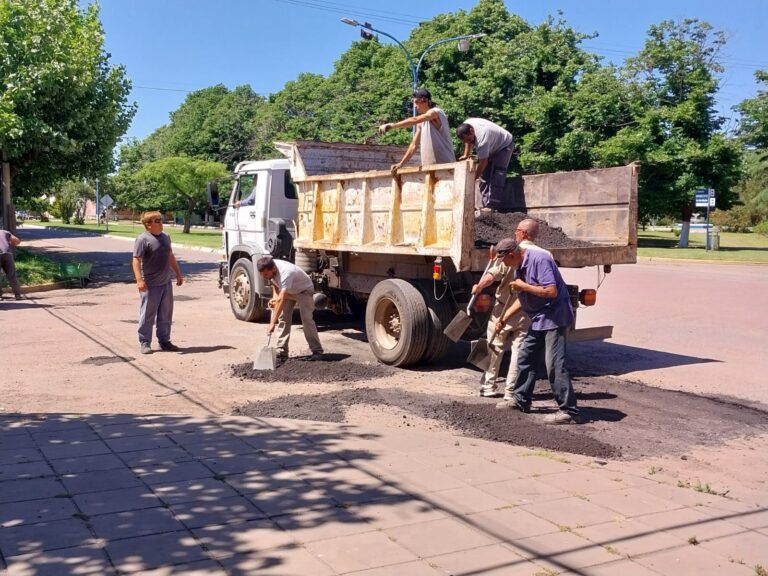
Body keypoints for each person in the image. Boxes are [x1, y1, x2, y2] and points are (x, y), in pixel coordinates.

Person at [495, 238, 580, 424]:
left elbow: (551, 291)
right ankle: (520, 400)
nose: (504, 265)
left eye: (504, 261)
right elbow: (522, 298)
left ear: (512, 254)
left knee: (554, 364)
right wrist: (504, 318)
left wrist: (522, 286)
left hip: (554, 318)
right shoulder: (519, 265)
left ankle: (568, 411)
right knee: (526, 356)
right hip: (538, 319)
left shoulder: (539, 259)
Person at [471, 237, 529, 398]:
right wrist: (480, 286)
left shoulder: (511, 258)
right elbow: (492, 274)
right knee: (518, 351)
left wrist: (480, 286)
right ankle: (511, 391)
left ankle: (488, 386)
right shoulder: (529, 256)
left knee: (494, 347)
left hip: (507, 309)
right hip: (523, 311)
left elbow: (493, 274)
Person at [132, 211, 184, 354]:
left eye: (161, 220)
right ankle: (145, 342)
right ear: (148, 224)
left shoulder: (166, 237)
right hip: (150, 284)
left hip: (166, 282)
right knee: (148, 314)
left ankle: (164, 341)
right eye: (157, 221)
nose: (161, 223)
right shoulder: (142, 239)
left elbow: (170, 256)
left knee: (166, 313)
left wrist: (178, 274)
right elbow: (136, 260)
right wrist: (139, 280)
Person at [256, 256, 323, 361]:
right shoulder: (270, 267)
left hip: (303, 290)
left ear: (273, 269)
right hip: (289, 291)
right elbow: (274, 282)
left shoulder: (286, 273)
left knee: (306, 319)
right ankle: (282, 350)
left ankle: (317, 351)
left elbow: (281, 299)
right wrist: (274, 296)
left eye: (265, 274)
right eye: (262, 275)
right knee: (283, 318)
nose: (264, 276)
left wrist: (272, 323)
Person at [377, 88, 455, 173]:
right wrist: (401, 163)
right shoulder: (421, 123)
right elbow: (414, 145)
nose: (415, 106)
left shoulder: (436, 112)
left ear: (425, 101)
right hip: (430, 168)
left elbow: (414, 119)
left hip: (446, 166)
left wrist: (392, 126)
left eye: (417, 102)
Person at [456, 118, 514, 211]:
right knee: (484, 176)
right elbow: (468, 140)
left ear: (471, 131)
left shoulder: (482, 140)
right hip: (492, 144)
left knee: (497, 174)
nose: (470, 142)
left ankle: (491, 207)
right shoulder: (467, 124)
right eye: (466, 141)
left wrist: (473, 178)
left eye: (470, 140)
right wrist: (466, 154)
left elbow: (483, 163)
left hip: (504, 145)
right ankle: (485, 205)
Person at [0, 227, 23, 300]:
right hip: (7, 253)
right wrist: (9, 242)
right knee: (12, 275)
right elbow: (17, 241)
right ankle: (17, 295)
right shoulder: (5, 232)